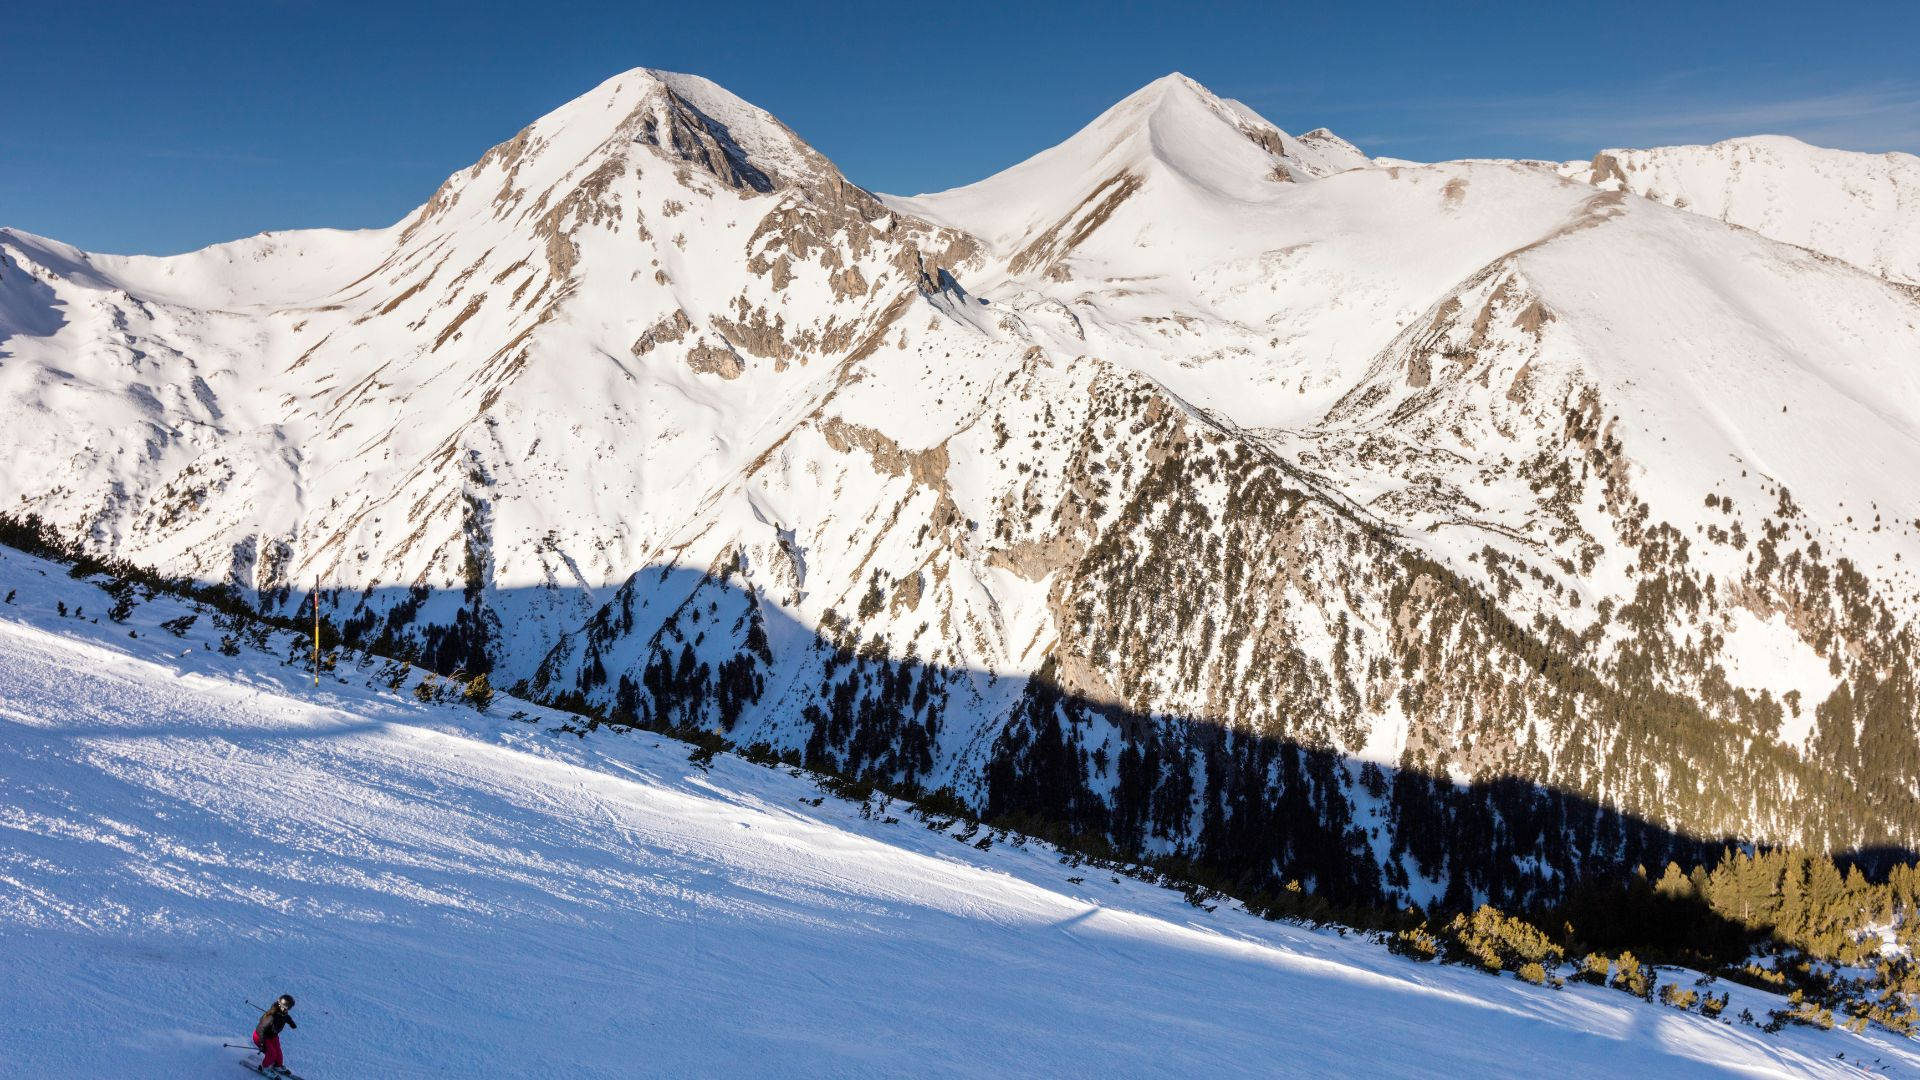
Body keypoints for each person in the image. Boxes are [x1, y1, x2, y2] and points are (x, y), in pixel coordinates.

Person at [252, 994, 297, 1074]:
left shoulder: (283, 1013)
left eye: (290, 1007)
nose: (289, 1009)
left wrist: (291, 1023)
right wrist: (262, 1044)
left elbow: (286, 1017)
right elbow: (261, 1029)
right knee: (272, 1053)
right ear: (282, 1005)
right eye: (288, 1007)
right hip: (261, 1036)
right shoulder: (272, 1016)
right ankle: (264, 1067)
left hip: (272, 1035)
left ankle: (277, 1065)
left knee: (278, 1052)